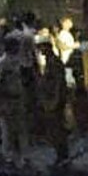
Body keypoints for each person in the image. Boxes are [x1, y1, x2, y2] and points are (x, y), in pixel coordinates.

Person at [0, 36, 29, 167]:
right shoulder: (1, 63)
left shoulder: (18, 61)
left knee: (21, 129)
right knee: (7, 131)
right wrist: (1, 104)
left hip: (18, 99)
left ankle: (24, 156)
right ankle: (8, 157)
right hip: (6, 101)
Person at [35, 36, 69, 166]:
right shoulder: (50, 62)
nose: (41, 50)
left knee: (57, 130)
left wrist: (55, 101)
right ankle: (60, 156)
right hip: (50, 101)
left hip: (54, 102)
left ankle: (62, 157)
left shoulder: (54, 62)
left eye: (42, 47)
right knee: (54, 130)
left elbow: (59, 83)